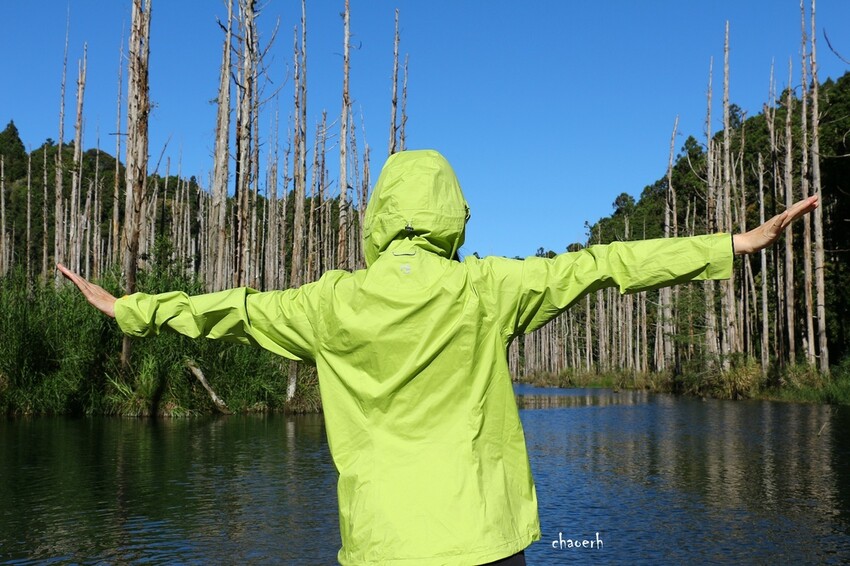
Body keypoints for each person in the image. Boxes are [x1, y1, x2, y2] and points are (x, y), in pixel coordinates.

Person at [59, 149, 817, 565]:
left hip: (384, 547)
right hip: (484, 543)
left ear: (379, 218)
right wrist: (731, 245)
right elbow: (605, 264)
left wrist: (131, 309)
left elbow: (232, 309)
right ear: (453, 216)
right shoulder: (486, 288)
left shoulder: (330, 304)